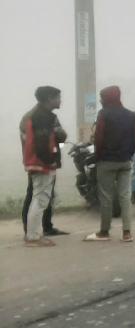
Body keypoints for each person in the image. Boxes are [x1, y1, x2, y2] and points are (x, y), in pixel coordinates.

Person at [85, 86, 135, 243]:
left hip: (107, 161)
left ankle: (104, 231)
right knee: (125, 196)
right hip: (125, 161)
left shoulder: (104, 114)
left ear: (107, 98)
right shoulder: (131, 116)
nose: (100, 100)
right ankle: (127, 233)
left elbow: (99, 138)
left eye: (102, 97)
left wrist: (99, 156)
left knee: (106, 197)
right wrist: (129, 155)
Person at [21, 86, 67, 247]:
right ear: (49, 98)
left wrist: (57, 151)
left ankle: (36, 233)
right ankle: (33, 237)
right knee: (39, 199)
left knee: (40, 198)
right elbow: (41, 143)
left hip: (39, 162)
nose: (60, 100)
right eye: (58, 97)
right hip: (41, 163)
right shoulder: (41, 117)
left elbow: (56, 140)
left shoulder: (44, 116)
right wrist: (50, 160)